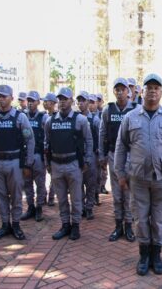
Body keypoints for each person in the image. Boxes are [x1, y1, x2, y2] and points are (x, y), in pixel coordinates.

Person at [114, 73, 162, 276]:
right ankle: (144, 255)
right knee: (140, 217)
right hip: (138, 177)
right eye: (149, 87)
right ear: (141, 91)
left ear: (161, 92)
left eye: (156, 87)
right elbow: (121, 148)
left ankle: (157, 255)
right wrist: (120, 173)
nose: (152, 91)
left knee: (160, 217)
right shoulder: (130, 117)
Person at [0, 85, 35, 240]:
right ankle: (5, 224)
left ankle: (16, 224)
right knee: (0, 196)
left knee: (16, 196)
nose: (1, 99)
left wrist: (28, 164)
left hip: (14, 162)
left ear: (11, 98)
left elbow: (30, 140)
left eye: (4, 96)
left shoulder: (20, 117)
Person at [45, 87, 93, 241]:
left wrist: (86, 160)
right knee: (62, 198)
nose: (62, 102)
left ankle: (76, 226)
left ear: (72, 101)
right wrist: (48, 163)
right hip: (56, 164)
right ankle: (65, 224)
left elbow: (89, 141)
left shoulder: (80, 120)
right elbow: (47, 143)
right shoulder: (50, 120)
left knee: (76, 198)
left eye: (65, 99)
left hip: (73, 164)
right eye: (60, 99)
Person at [99, 78, 138, 242]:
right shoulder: (108, 110)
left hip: (132, 156)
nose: (120, 92)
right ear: (114, 91)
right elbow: (102, 133)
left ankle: (129, 226)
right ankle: (118, 226)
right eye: (117, 89)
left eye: (123, 89)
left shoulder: (136, 109)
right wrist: (101, 155)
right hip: (114, 155)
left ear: (128, 91)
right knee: (117, 194)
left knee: (129, 193)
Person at [20, 91, 49, 222]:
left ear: (38, 102)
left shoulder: (43, 118)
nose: (30, 102)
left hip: (38, 155)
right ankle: (30, 207)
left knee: (40, 183)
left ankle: (39, 208)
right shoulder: (21, 116)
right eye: (29, 100)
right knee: (27, 183)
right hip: (25, 155)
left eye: (33, 100)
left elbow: (47, 137)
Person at [76, 91, 100, 220]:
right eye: (78, 101)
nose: (81, 103)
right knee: (78, 183)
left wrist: (100, 155)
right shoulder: (75, 118)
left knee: (91, 183)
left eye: (83, 101)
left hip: (91, 155)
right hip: (78, 157)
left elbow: (100, 137)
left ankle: (89, 207)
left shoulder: (94, 119)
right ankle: (81, 207)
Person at [42, 92, 58, 206]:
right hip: (43, 149)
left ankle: (51, 197)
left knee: (53, 175)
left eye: (46, 101)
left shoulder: (56, 117)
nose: (44, 103)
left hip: (53, 151)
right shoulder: (43, 115)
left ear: (52, 103)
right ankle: (43, 196)